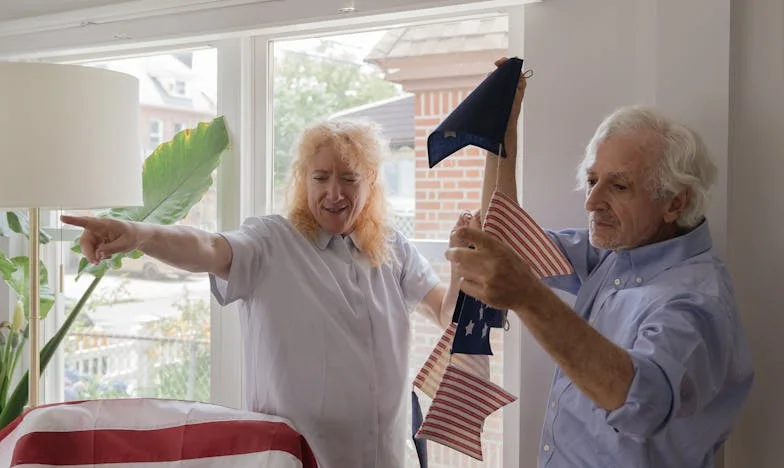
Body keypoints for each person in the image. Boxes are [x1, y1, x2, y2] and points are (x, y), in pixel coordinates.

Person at [62, 118, 466, 468]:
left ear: (372, 181)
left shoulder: (393, 247)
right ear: (302, 179)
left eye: (349, 178)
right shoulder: (272, 241)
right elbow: (207, 247)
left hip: (385, 456)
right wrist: (140, 234)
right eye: (321, 177)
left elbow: (445, 313)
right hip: (298, 459)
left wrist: (463, 273)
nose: (334, 193)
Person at [446, 58, 755, 468]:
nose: (591, 203)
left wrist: (529, 297)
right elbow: (506, 243)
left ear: (675, 202)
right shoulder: (616, 252)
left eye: (619, 186)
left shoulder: (695, 303)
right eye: (593, 181)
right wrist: (503, 138)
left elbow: (639, 400)